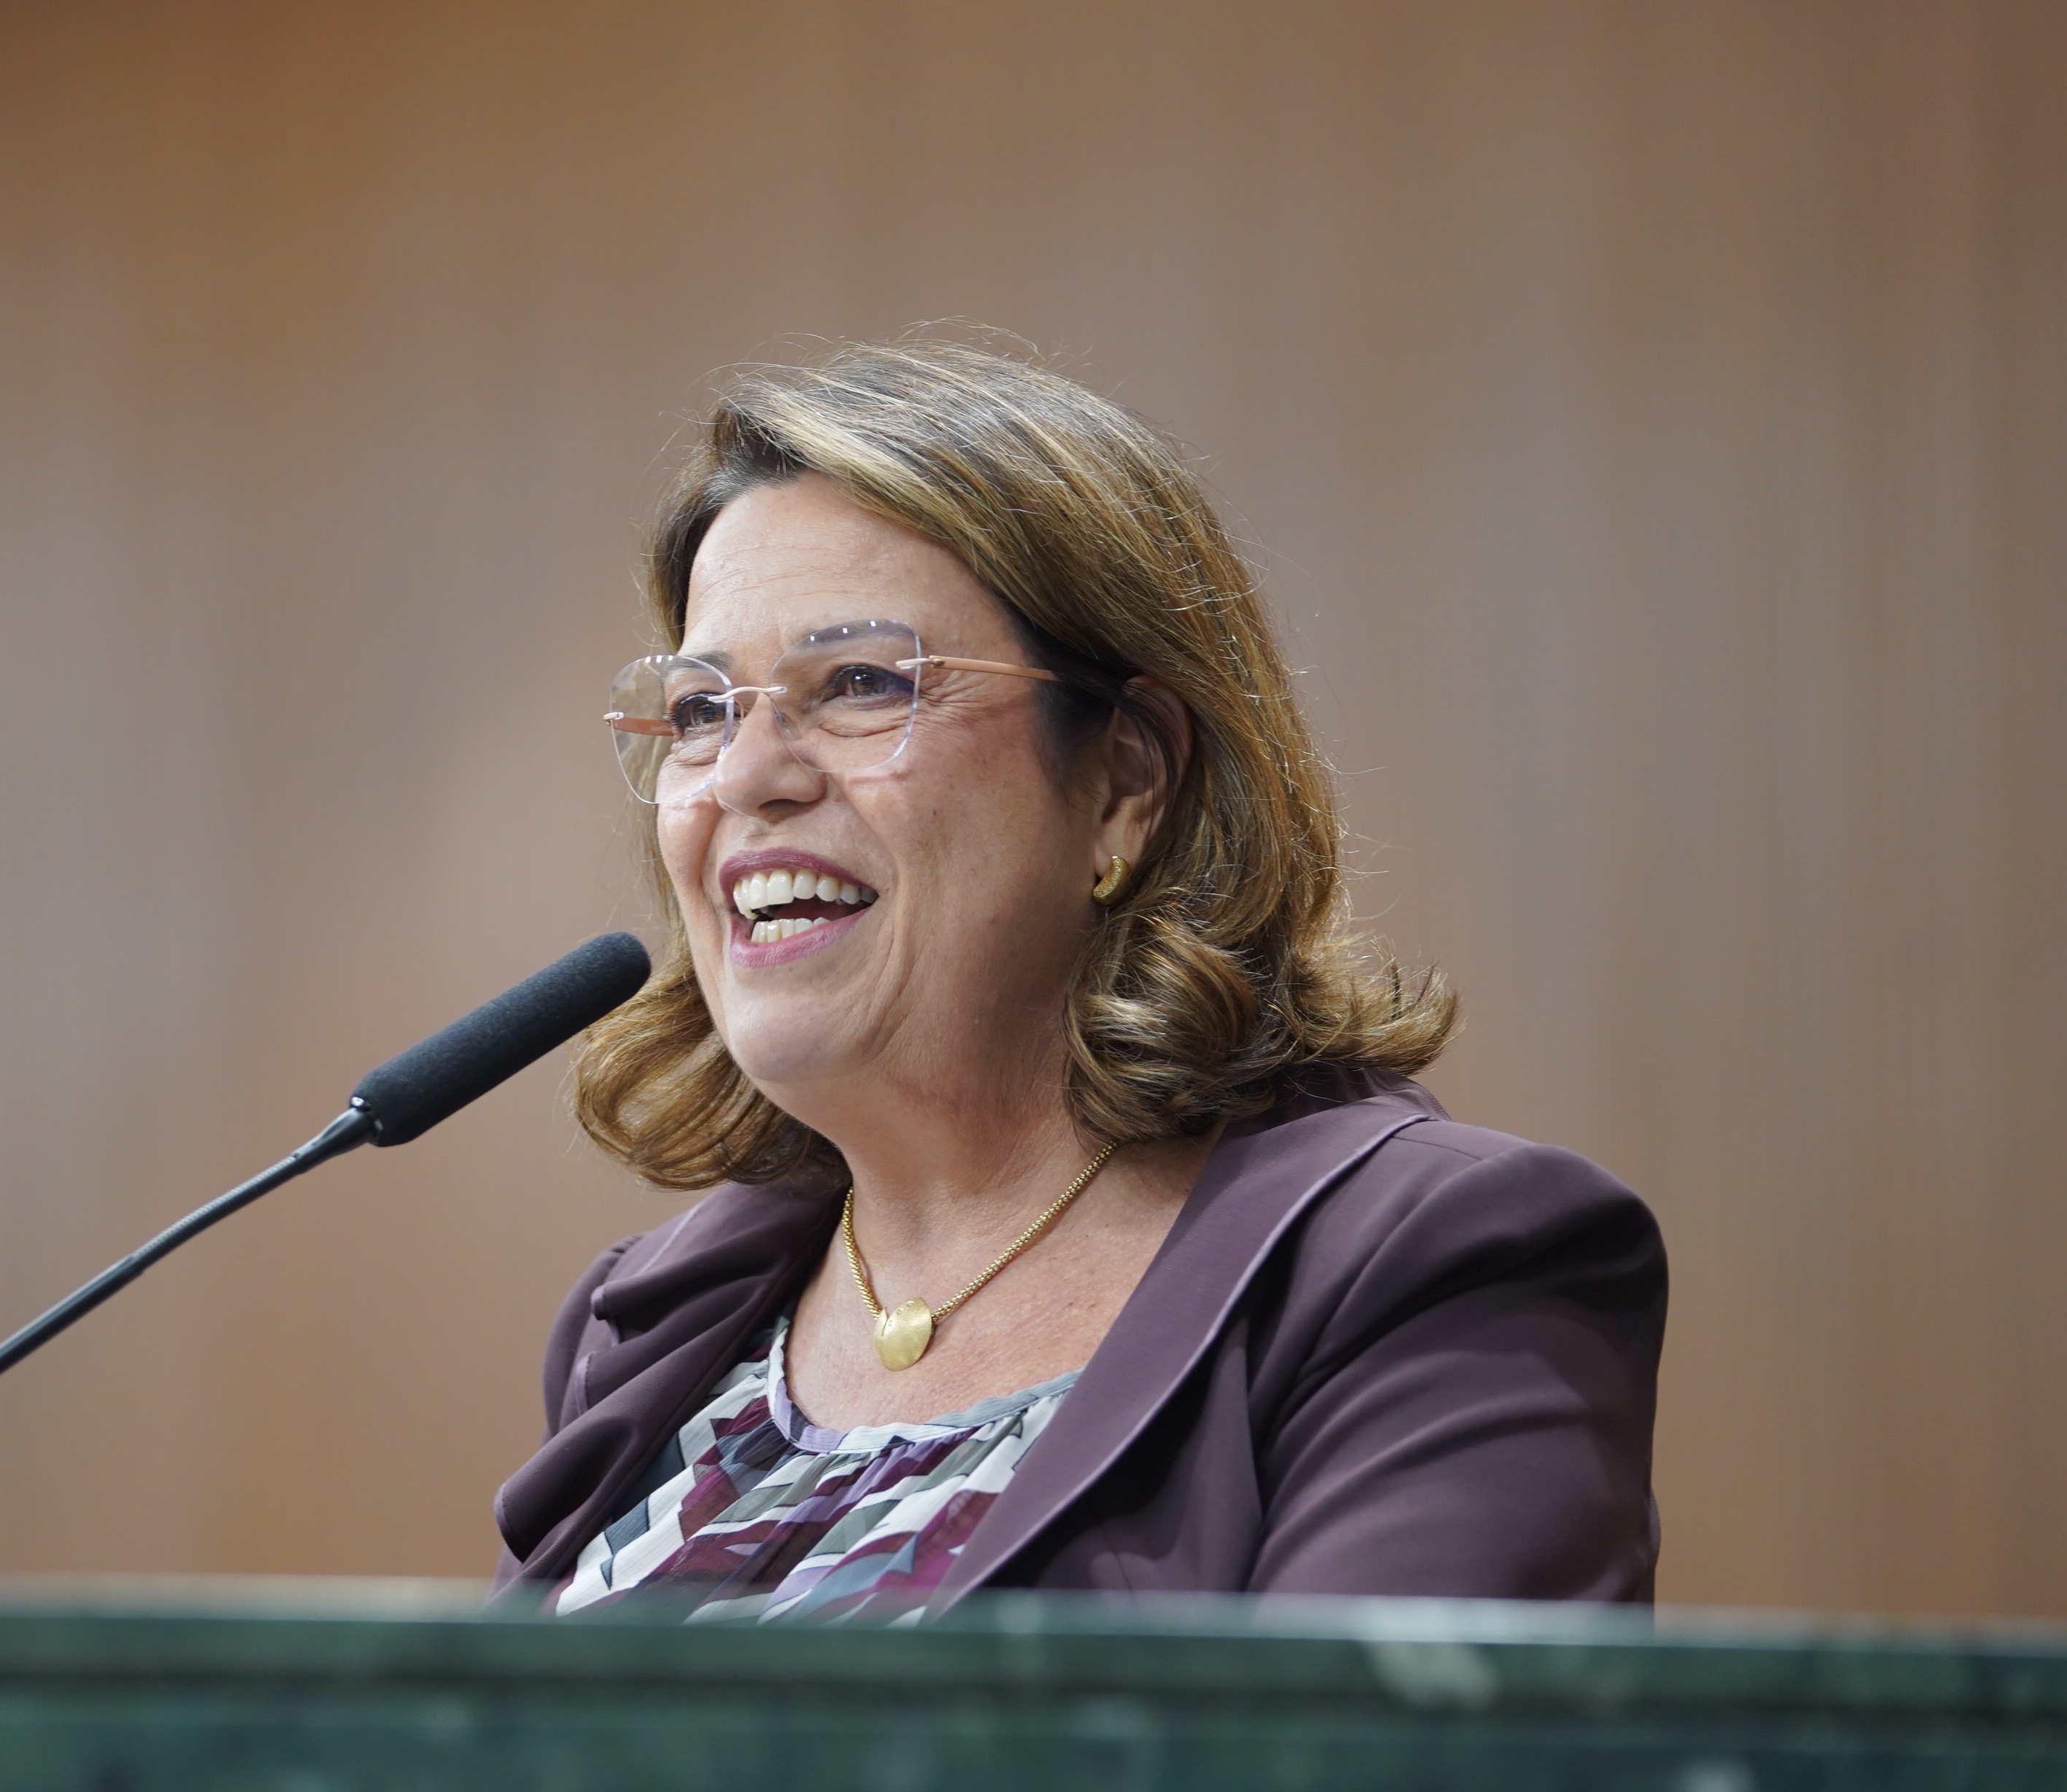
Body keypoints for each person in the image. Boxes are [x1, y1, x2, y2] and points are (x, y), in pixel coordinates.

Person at [493, 340, 1664, 1621]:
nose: (746, 775)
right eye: (701, 710)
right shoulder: (648, 1324)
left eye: (862, 685)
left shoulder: (1423, 1269)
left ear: (1125, 780)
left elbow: (1376, 1756)